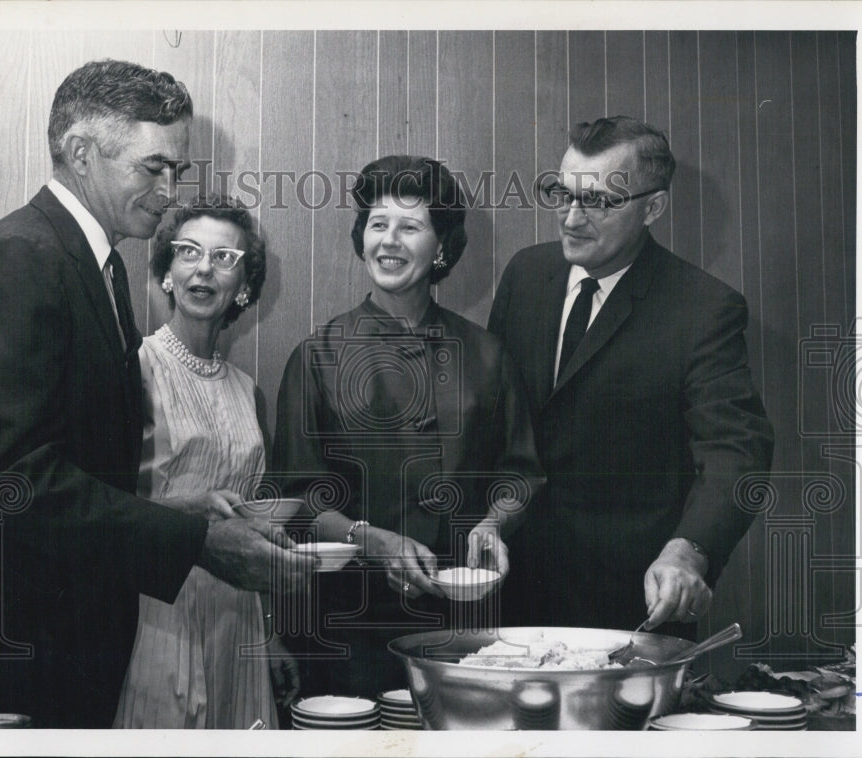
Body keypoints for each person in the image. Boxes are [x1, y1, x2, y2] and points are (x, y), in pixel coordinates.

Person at [0, 60, 313, 729]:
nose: (168, 189)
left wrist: (180, 507)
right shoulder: (19, 262)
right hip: (6, 645)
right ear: (79, 153)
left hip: (59, 635)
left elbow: (69, 467)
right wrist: (194, 542)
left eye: (177, 170)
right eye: (153, 167)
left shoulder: (89, 263)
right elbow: (9, 482)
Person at [269, 155, 544, 698]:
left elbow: (520, 474)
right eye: (378, 224)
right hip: (348, 630)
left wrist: (493, 525)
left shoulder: (488, 354)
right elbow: (297, 496)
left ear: (441, 246)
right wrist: (368, 540)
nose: (389, 241)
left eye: (410, 226)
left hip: (468, 628)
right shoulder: (318, 356)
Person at [488, 115, 774, 637]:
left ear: (653, 207)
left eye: (597, 200)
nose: (571, 218)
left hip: (629, 606)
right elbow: (496, 425)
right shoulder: (524, 275)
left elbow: (737, 450)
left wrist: (688, 552)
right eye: (562, 193)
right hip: (512, 594)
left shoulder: (704, 308)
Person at [113, 196, 298, 728]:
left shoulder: (248, 392)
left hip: (237, 618)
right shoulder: (136, 368)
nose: (203, 267)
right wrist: (185, 512)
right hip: (156, 611)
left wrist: (268, 633)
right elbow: (102, 506)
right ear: (167, 274)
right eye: (188, 252)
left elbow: (253, 529)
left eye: (224, 258)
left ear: (243, 287)